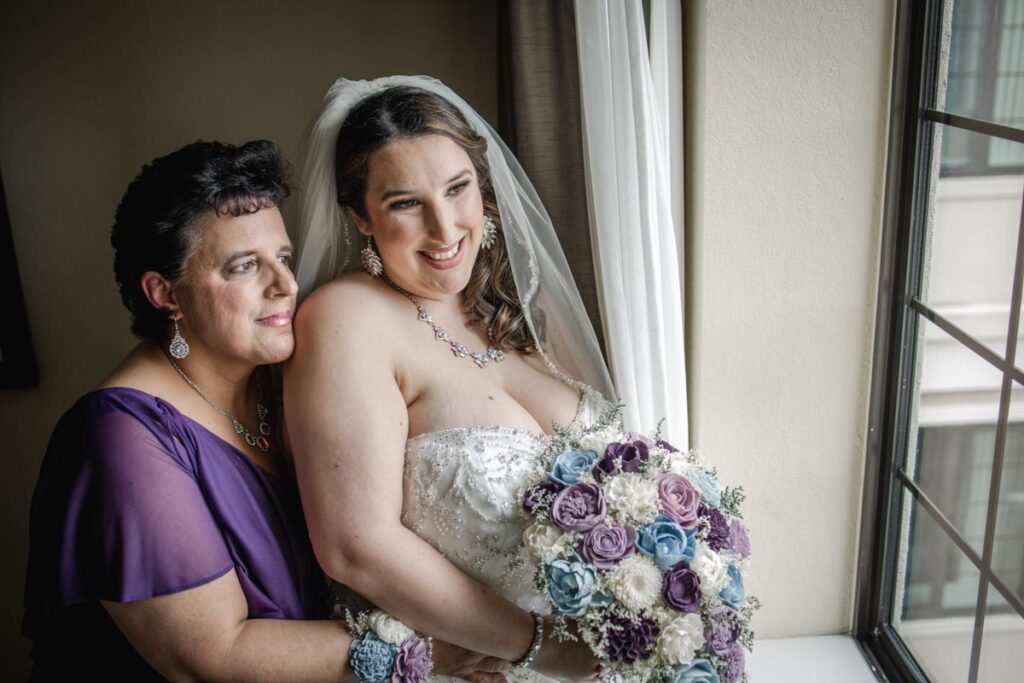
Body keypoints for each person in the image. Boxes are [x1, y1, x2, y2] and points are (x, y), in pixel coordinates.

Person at [22, 139, 508, 683]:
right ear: (165, 294)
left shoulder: (280, 385)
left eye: (282, 257)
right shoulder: (119, 439)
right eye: (244, 266)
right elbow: (212, 657)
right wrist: (437, 652)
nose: (285, 286)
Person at [286, 76, 617, 682]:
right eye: (405, 203)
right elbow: (354, 547)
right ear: (360, 216)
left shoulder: (514, 311)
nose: (445, 230)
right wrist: (546, 650)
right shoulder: (345, 320)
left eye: (458, 188)